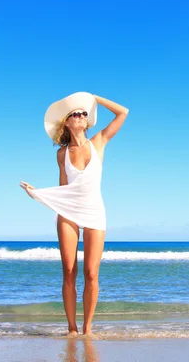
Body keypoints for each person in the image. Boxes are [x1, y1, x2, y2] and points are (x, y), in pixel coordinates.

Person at [20, 91, 128, 336]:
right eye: (75, 114)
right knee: (69, 271)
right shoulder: (62, 154)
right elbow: (63, 190)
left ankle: (88, 328)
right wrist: (39, 195)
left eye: (83, 113)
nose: (81, 116)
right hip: (68, 211)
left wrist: (95, 99)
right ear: (66, 123)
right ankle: (71, 328)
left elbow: (123, 113)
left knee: (91, 273)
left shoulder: (99, 141)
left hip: (94, 211)